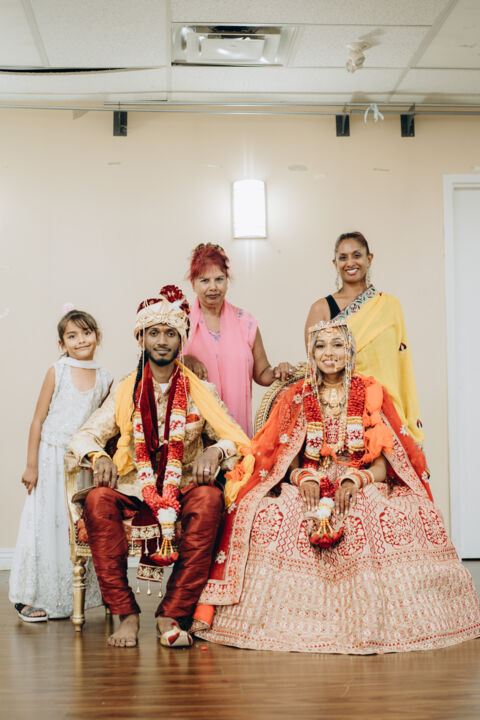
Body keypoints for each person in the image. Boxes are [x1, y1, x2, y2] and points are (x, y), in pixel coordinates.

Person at [193, 319, 480, 653]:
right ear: (311, 353)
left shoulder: (371, 392)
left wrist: (356, 479)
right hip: (309, 479)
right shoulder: (297, 395)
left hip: (359, 479)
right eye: (320, 346)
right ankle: (287, 618)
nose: (328, 353)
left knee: (372, 511)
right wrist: (304, 478)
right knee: (275, 513)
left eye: (337, 345)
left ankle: (374, 618)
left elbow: (383, 462)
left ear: (350, 351)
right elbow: (285, 456)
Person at [69, 285, 252, 649]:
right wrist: (100, 457)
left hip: (183, 486)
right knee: (97, 500)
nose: (162, 341)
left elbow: (237, 439)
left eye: (170, 333)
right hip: (133, 486)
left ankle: (172, 613)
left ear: (181, 340)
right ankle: (126, 614)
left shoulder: (201, 391)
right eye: (154, 333)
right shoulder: (125, 390)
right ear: (141, 339)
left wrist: (215, 451)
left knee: (210, 500)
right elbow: (84, 436)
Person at [9, 308, 112, 621]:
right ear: (62, 343)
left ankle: (70, 597)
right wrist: (31, 465)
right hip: (51, 456)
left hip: (81, 462)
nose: (81, 340)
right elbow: (38, 420)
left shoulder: (105, 377)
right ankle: (28, 597)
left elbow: (103, 425)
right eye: (72, 336)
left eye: (86, 333)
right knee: (44, 522)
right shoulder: (58, 370)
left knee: (74, 526)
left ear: (97, 336)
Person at [305, 231, 424, 446]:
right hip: (338, 414)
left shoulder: (389, 306)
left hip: (384, 410)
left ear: (369, 259)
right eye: (343, 257)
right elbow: (315, 366)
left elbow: (400, 364)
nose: (350, 262)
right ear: (335, 263)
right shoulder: (321, 309)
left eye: (357, 255)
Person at [182, 243, 292, 436]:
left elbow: (262, 373)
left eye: (219, 279)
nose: (213, 287)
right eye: (204, 280)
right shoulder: (180, 325)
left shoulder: (246, 322)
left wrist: (279, 371)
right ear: (193, 283)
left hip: (237, 429)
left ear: (227, 280)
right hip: (196, 433)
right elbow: (163, 369)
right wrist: (185, 360)